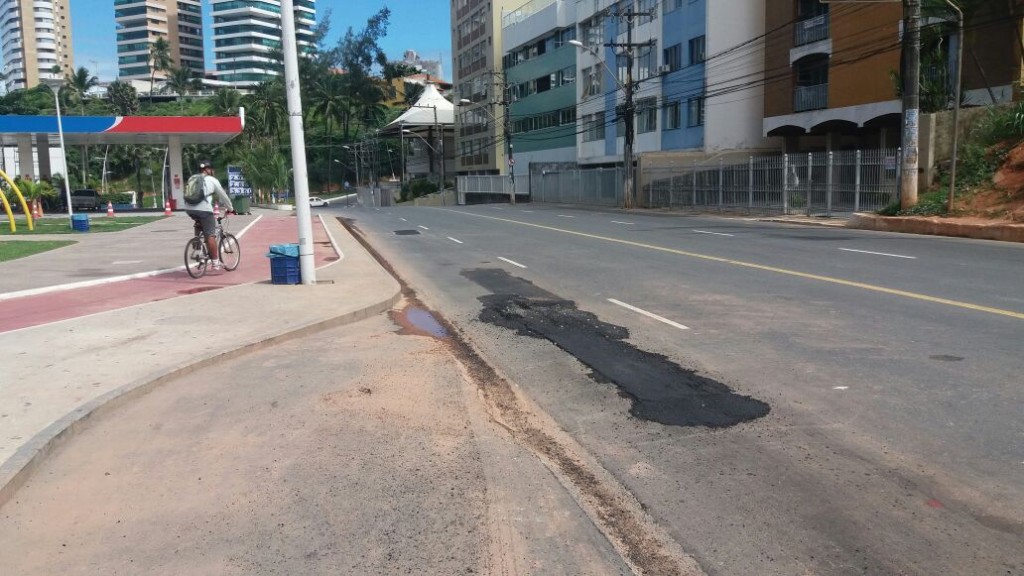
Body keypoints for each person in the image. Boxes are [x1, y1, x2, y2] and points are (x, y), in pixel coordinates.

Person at [185, 160, 234, 269]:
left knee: (199, 225)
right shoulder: (212, 180)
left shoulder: (192, 178)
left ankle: (198, 250)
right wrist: (230, 208)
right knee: (210, 234)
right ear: (208, 170)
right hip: (204, 210)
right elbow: (223, 195)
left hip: (189, 209)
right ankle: (215, 263)